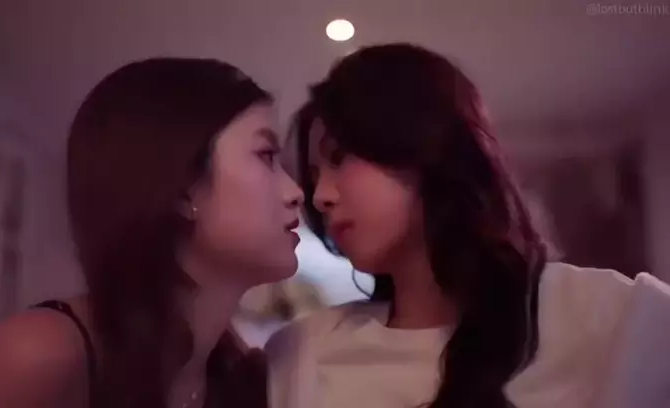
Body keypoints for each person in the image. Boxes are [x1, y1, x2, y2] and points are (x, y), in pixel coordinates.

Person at [265, 43, 647, 408]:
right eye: (314, 175)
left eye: (338, 158)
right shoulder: (302, 352)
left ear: (420, 145)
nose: (320, 196)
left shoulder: (599, 311)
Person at [0, 57, 303, 408]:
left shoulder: (246, 375)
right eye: (266, 155)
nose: (297, 193)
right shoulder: (39, 356)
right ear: (183, 186)